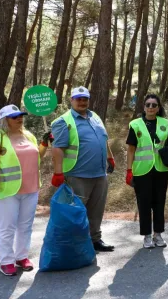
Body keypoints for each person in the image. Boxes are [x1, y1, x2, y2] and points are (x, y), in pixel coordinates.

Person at [0, 105, 52, 276]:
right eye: (14, 116)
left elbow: (37, 156)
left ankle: (21, 257)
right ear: (4, 120)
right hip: (7, 190)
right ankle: (6, 261)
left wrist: (44, 143)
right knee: (7, 227)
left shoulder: (28, 135)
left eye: (21, 115)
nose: (19, 118)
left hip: (31, 188)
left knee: (25, 226)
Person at [51, 87, 116, 252]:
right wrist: (58, 172)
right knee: (75, 212)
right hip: (77, 174)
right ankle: (76, 245)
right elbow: (58, 148)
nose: (82, 102)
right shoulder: (63, 121)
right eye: (78, 99)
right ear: (71, 100)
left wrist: (110, 157)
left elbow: (103, 139)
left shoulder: (95, 117)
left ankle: (95, 240)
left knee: (96, 210)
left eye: (85, 98)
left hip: (99, 174)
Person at [126, 94, 168, 249]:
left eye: (154, 105)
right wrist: (129, 170)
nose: (150, 108)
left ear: (158, 107)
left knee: (159, 202)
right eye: (148, 104)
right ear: (144, 107)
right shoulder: (135, 124)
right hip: (142, 171)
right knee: (144, 203)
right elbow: (131, 149)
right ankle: (147, 235)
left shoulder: (164, 123)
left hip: (161, 169)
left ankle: (158, 234)